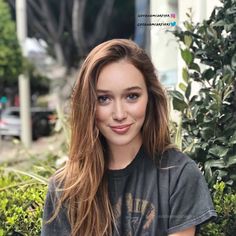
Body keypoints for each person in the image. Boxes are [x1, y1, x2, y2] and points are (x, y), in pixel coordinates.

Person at [41, 39, 216, 236]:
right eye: (104, 99)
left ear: (150, 97)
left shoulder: (178, 175)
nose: (119, 114)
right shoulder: (65, 187)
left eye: (131, 96)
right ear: (88, 105)